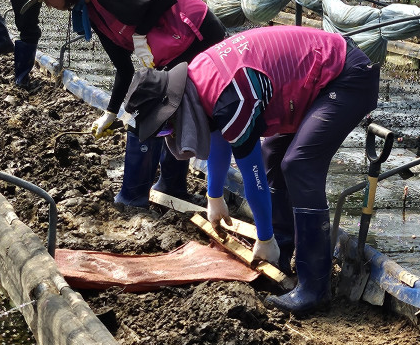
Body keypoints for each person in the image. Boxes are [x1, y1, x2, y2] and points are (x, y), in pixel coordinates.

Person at [123, 26, 379, 314]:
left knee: (299, 164)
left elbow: (251, 175)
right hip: (310, 81)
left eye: (166, 127)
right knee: (274, 154)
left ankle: (314, 287)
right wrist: (214, 197)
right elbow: (220, 136)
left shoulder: (232, 97)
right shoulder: (197, 81)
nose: (170, 134)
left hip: (345, 76)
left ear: (173, 108)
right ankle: (280, 254)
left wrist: (264, 234)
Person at [21, 0, 228, 209]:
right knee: (166, 109)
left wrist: (140, 36)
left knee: (151, 110)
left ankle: (134, 199)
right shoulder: (93, 11)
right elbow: (123, 67)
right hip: (173, 45)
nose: (47, 3)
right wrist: (110, 112)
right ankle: (170, 186)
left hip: (196, 34)